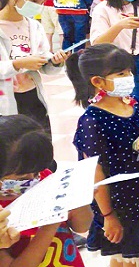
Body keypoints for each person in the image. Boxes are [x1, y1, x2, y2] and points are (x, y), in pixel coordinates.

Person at [66, 43, 139, 267]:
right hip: (121, 205)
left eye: (129, 72)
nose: (129, 78)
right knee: (125, 258)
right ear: (97, 82)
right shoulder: (92, 120)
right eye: (121, 74)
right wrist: (108, 216)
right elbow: (96, 174)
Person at [0, 114, 93, 266]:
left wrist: (80, 199)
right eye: (21, 178)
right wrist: (50, 225)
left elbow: (82, 226)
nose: (33, 179)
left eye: (36, 172)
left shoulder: (44, 177)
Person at [0, 0, 69, 132]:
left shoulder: (34, 26)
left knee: (39, 147)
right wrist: (17, 64)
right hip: (6, 102)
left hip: (33, 97)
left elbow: (43, 62)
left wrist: (54, 61)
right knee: (12, 150)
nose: (38, 7)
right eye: (34, 0)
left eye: (42, 2)